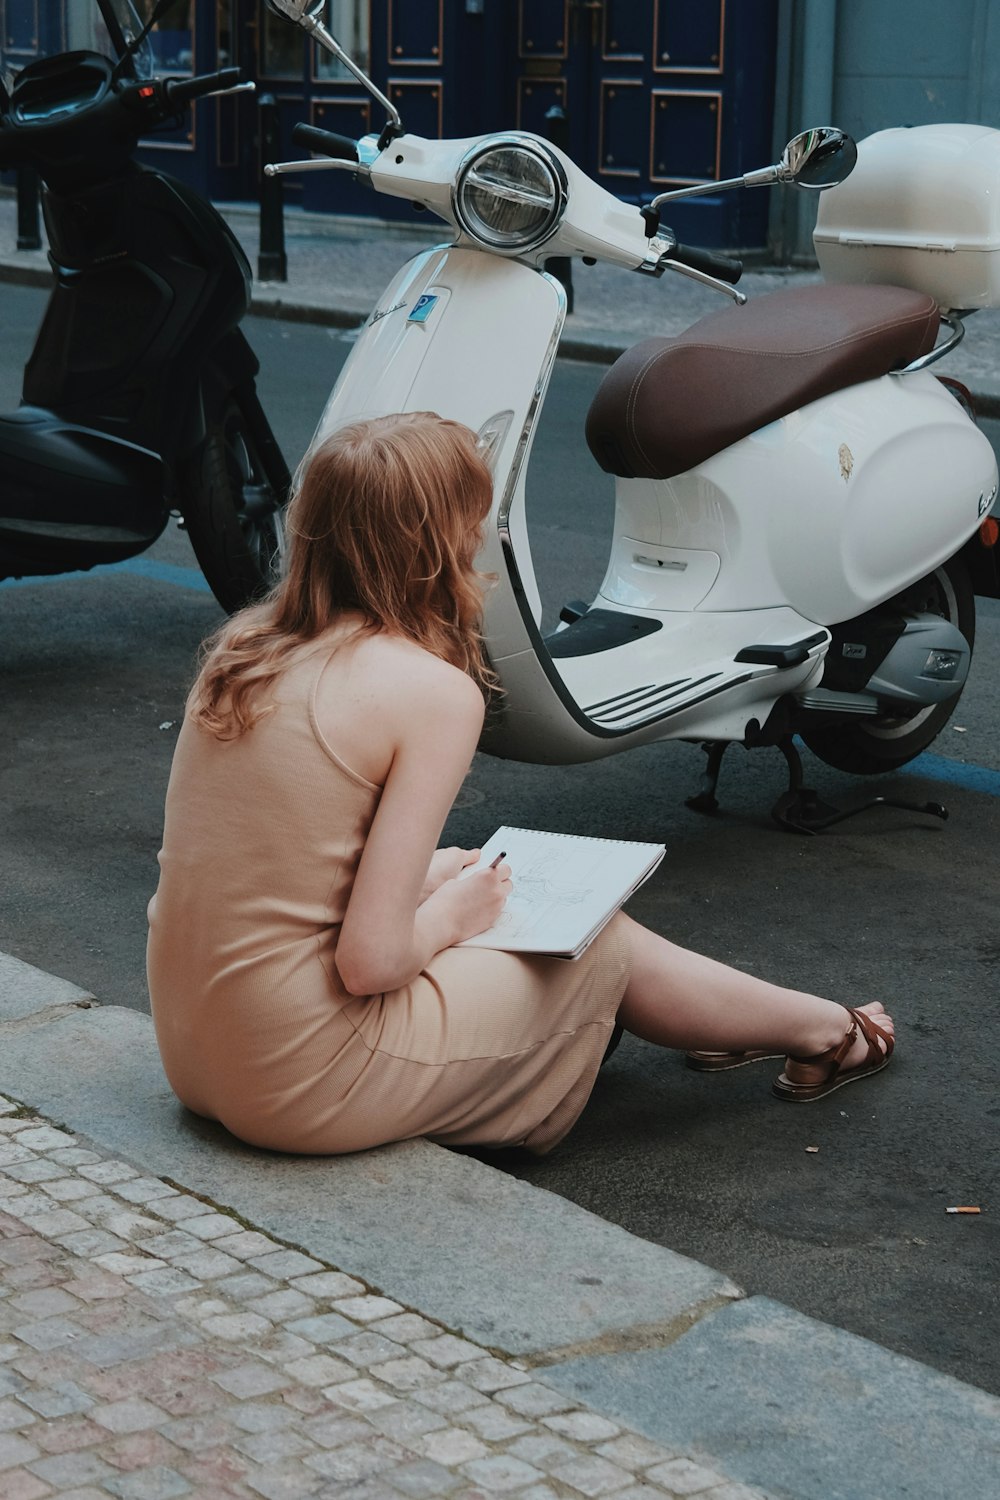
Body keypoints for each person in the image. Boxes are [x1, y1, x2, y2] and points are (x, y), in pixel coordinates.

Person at [146, 411, 894, 1156]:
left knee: (491, 888)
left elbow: (275, 873)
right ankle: (825, 1031)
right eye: (476, 519)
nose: (483, 540)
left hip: (196, 1051)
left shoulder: (243, 653)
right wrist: (451, 915)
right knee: (596, 944)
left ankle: (768, 1026)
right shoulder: (430, 692)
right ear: (438, 544)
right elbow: (369, 963)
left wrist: (435, 879)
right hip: (300, 1081)